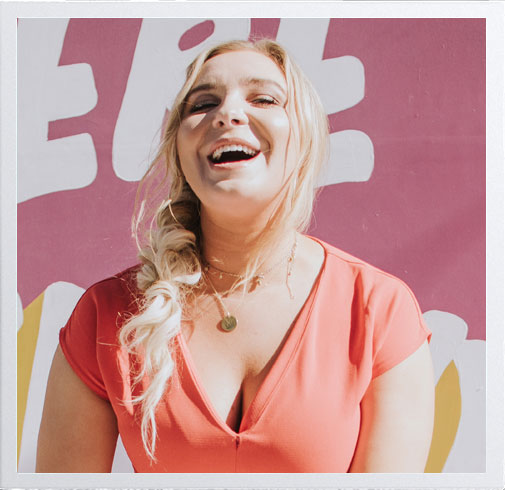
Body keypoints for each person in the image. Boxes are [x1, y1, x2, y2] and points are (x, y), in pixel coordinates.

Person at [36, 39, 434, 473]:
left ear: (304, 135)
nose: (227, 114)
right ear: (179, 149)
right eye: (203, 104)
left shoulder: (379, 311)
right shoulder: (106, 315)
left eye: (263, 99)